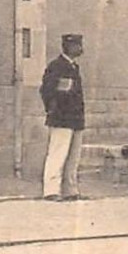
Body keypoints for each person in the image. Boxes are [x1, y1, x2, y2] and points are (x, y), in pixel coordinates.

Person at [39, 33, 86, 201]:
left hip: (75, 119)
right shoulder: (56, 66)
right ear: (66, 46)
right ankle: (51, 190)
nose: (79, 48)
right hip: (61, 118)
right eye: (76, 45)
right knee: (57, 154)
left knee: (73, 157)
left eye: (80, 45)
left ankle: (70, 190)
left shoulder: (74, 67)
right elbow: (46, 91)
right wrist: (52, 109)